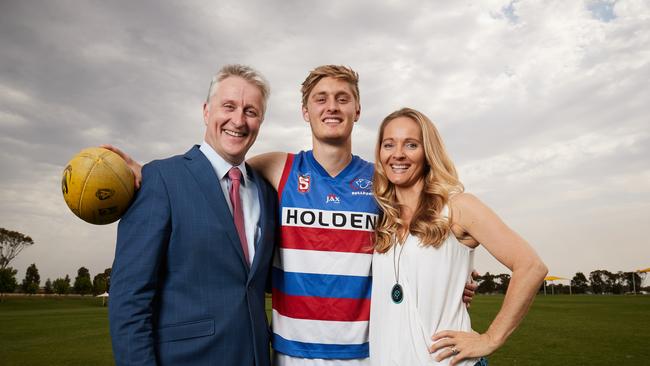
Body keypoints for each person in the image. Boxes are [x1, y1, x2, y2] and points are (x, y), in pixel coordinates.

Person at [108, 65, 476, 365]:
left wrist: (454, 272)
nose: (331, 107)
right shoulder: (276, 170)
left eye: (342, 99)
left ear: (357, 110)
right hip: (289, 355)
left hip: (366, 352)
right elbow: (215, 173)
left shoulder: (381, 183)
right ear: (305, 111)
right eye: (321, 99)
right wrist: (153, 174)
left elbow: (418, 232)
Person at [108, 64, 278, 366]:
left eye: (251, 111)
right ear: (206, 111)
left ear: (260, 121)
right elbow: (129, 300)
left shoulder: (265, 192)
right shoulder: (161, 179)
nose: (238, 120)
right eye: (229, 106)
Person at [369, 108, 548, 366]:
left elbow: (530, 266)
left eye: (411, 144)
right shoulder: (383, 219)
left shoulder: (458, 207)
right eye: (389, 144)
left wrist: (490, 338)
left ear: (428, 152)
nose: (398, 154)